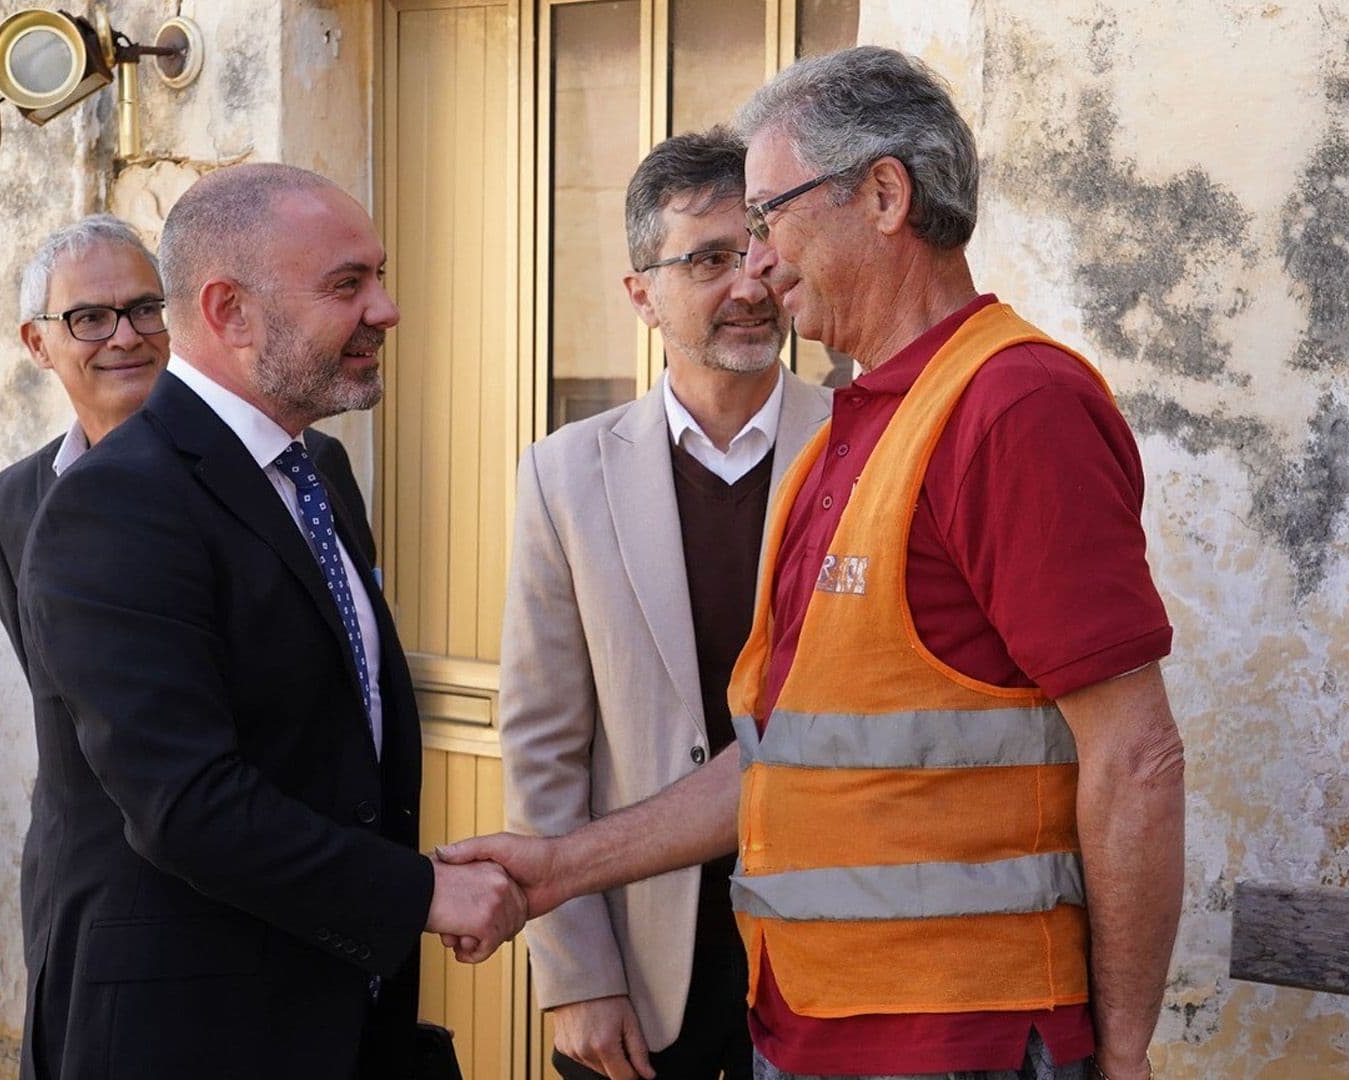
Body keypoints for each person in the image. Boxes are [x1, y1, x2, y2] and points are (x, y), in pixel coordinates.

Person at [444, 46, 1185, 1080]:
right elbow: (779, 758)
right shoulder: (858, 429)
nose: (758, 262)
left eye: (769, 215)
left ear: (884, 195)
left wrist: (1122, 1050)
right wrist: (559, 869)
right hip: (809, 1030)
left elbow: (1135, 755)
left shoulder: (1015, 407)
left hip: (960, 1040)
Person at [16, 165, 525, 1079]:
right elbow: (186, 803)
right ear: (230, 312)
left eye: (378, 275)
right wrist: (420, 894)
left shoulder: (317, 471)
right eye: (347, 284)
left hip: (341, 1017)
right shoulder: (116, 504)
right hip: (198, 1034)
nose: (386, 309)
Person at [498, 128, 829, 1080]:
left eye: (758, 251)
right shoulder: (566, 472)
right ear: (642, 293)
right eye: (707, 259)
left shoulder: (857, 441)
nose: (750, 286)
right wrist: (576, 976)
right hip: (643, 977)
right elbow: (544, 747)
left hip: (825, 965)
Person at [0, 215, 368, 676]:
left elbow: (352, 665)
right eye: (89, 318)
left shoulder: (298, 463)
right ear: (38, 345)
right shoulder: (11, 501)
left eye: (145, 309)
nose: (126, 338)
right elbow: (51, 694)